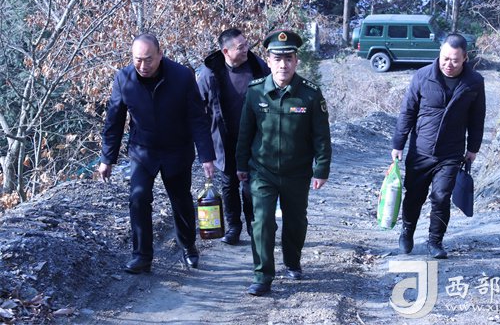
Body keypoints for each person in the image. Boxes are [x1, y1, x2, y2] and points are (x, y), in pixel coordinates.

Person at [98, 33, 216, 274]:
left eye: (148, 59)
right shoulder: (123, 79)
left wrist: (206, 155)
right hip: (143, 150)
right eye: (137, 59)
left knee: (180, 199)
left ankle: (188, 246)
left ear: (160, 54)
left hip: (177, 148)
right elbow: (114, 121)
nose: (143, 65)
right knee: (138, 198)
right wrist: (107, 159)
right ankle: (142, 256)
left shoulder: (182, 76)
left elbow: (197, 117)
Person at [236, 30, 332, 296]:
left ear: (296, 61)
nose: (283, 65)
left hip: (297, 172)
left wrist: (321, 168)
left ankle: (292, 261)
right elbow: (245, 132)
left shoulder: (310, 94)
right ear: (268, 61)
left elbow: (321, 136)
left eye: (288, 58)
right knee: (262, 221)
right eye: (277, 59)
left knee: (296, 221)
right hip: (262, 171)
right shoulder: (255, 91)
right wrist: (241, 165)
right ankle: (262, 275)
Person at [391, 33, 485, 259]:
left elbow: (477, 118)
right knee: (414, 195)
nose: (448, 64)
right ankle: (407, 232)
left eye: (454, 60)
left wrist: (473, 148)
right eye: (445, 58)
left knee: (441, 197)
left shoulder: (474, 82)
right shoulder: (423, 76)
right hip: (420, 151)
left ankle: (435, 241)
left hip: (451, 153)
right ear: (439, 54)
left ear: (465, 58)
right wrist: (398, 143)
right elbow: (407, 112)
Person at [197, 28, 270, 245]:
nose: (246, 49)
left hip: (254, 139)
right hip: (224, 140)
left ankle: (254, 226)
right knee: (229, 185)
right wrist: (205, 151)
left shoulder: (257, 66)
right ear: (226, 52)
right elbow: (198, 111)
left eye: (246, 44)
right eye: (241, 47)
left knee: (250, 186)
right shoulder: (210, 73)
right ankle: (234, 227)